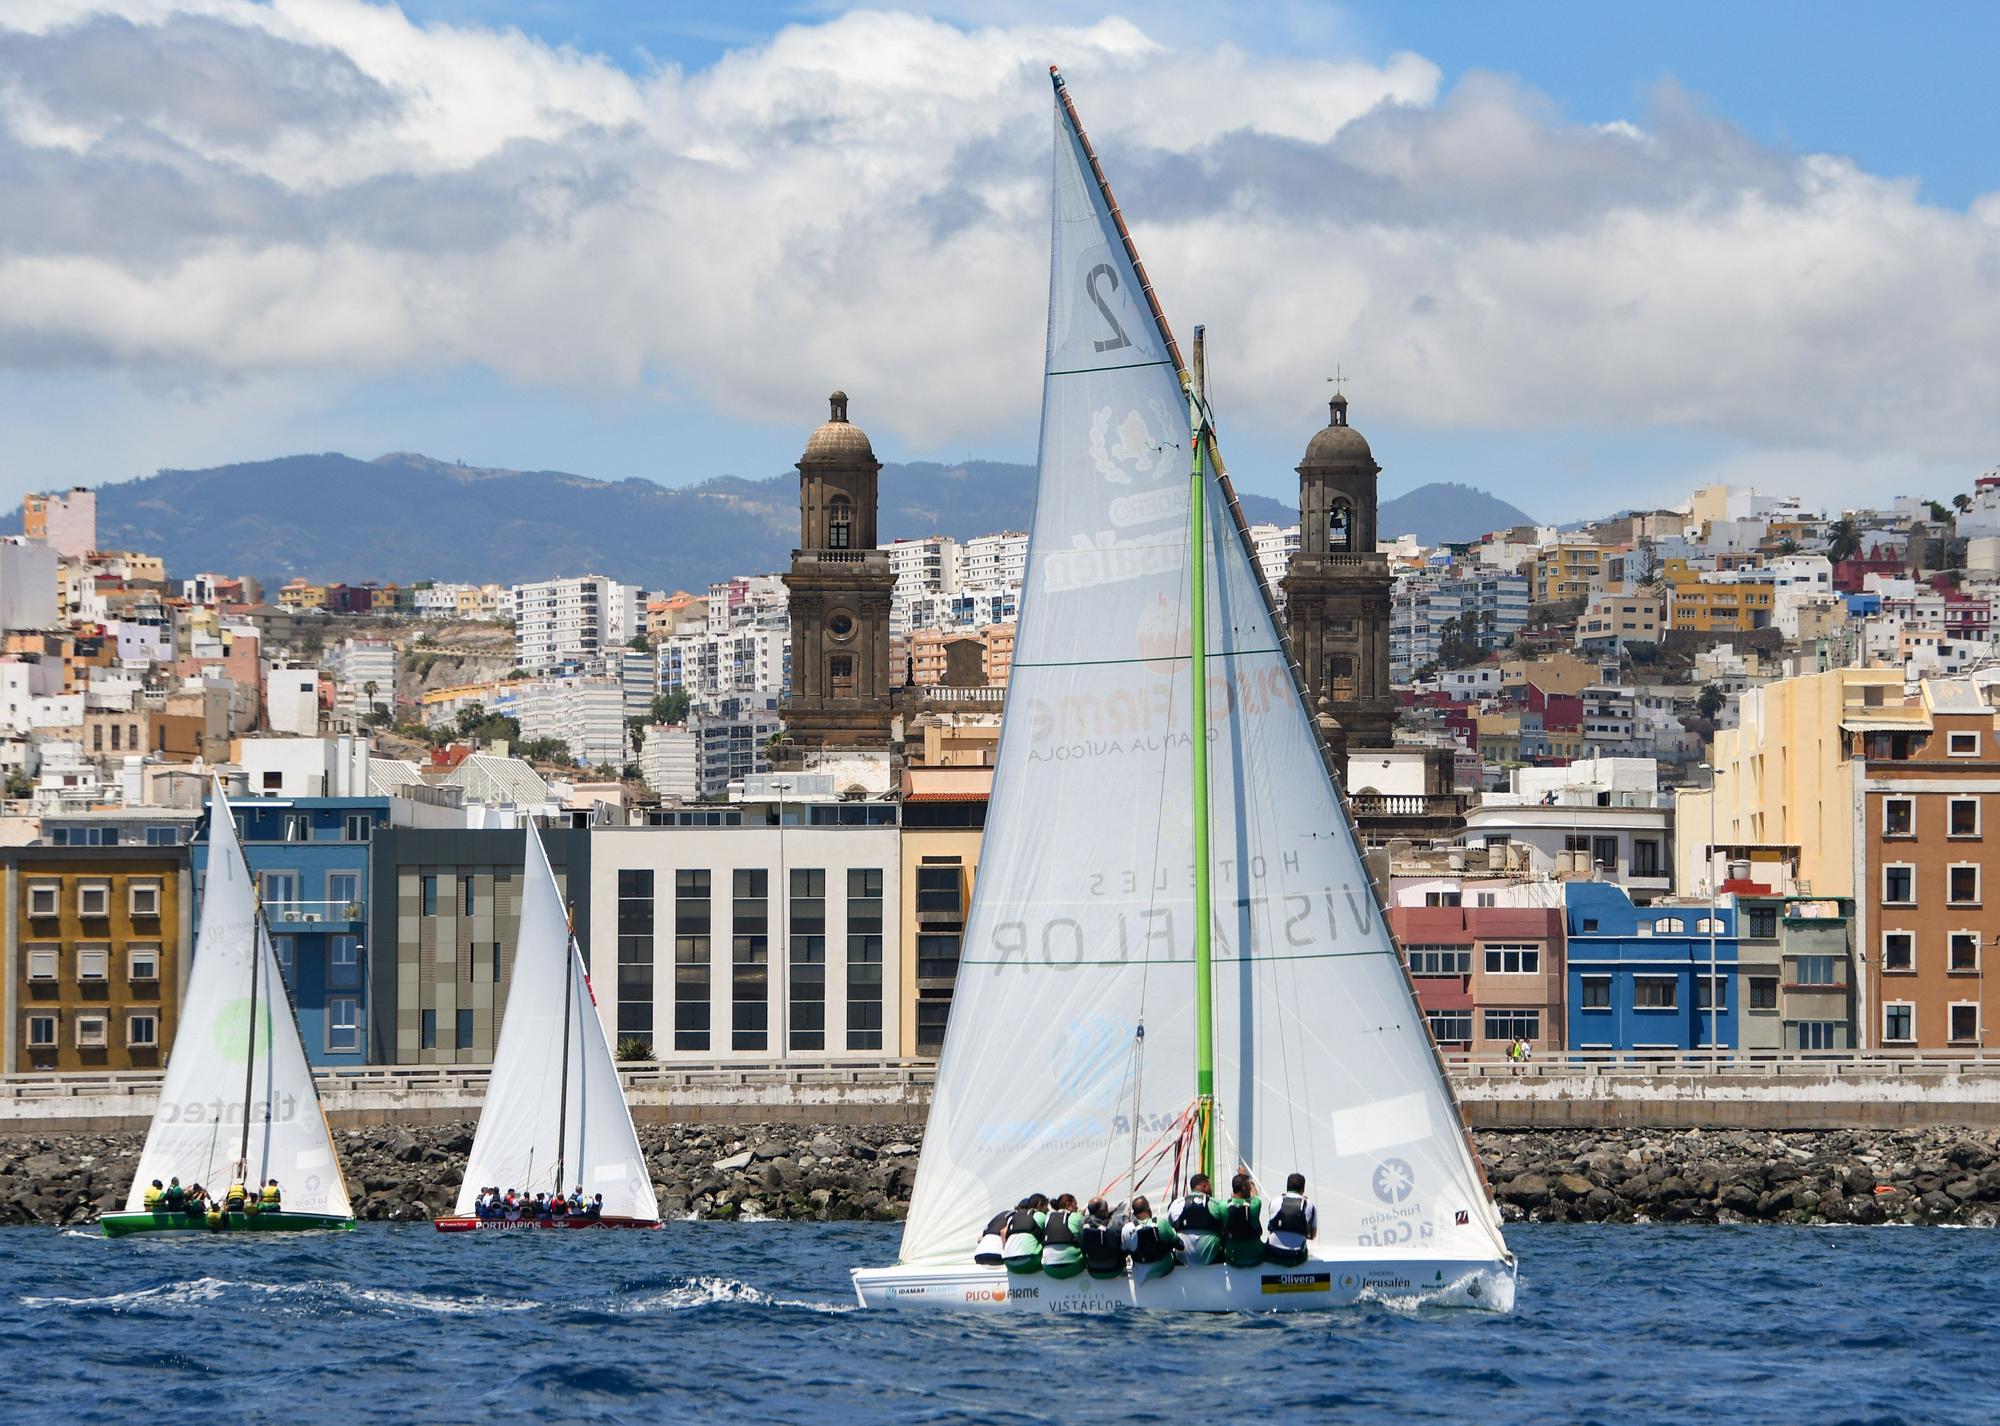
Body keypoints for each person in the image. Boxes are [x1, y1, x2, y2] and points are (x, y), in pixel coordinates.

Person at [1263, 1172, 1318, 1267]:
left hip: (1273, 1252)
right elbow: (1312, 1236)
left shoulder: (1275, 1200)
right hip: (1296, 1255)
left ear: (1287, 1187)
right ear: (1303, 1189)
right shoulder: (1310, 1204)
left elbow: (1272, 1228)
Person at [1168, 1173, 1224, 1265]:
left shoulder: (1175, 1204)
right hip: (1213, 1260)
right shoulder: (1216, 1204)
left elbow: (1168, 1231)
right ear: (1204, 1186)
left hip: (1182, 1261)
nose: (1211, 1189)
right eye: (1210, 1186)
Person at [1122, 1196, 1180, 1282]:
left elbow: (1124, 1252)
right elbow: (1180, 1245)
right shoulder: (1161, 1223)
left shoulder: (1126, 1229)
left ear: (1134, 1214)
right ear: (1149, 1208)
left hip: (1140, 1271)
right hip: (1164, 1269)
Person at [1221, 1171, 1264, 1268]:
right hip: (1255, 1256)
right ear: (1244, 1188)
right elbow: (1254, 1195)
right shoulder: (1254, 1205)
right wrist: (1246, 1176)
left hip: (1232, 1258)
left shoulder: (1223, 1206)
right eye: (1249, 1185)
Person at [1078, 1197, 1127, 1281]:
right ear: (1103, 1211)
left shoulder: (1082, 1223)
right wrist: (1126, 1217)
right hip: (1114, 1269)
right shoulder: (1115, 1224)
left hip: (1093, 1270)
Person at [1039, 1193, 1086, 1280]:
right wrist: (1081, 1216)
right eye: (1075, 1204)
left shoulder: (1048, 1217)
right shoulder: (1077, 1216)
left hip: (1048, 1268)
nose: (1077, 1207)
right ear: (1068, 1204)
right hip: (1073, 1266)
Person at [1001, 1193, 1047, 1275]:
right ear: (1040, 1205)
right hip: (1030, 1263)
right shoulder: (1041, 1216)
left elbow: (1003, 1232)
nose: (1048, 1210)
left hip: (1009, 1264)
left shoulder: (1014, 1216)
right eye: (1046, 1206)